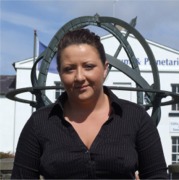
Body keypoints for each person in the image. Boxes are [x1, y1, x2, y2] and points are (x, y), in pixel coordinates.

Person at [11, 28, 168, 179]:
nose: (79, 77)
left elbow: (157, 176)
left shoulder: (136, 119)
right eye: (69, 69)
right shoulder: (38, 124)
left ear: (105, 69)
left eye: (88, 66)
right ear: (59, 73)